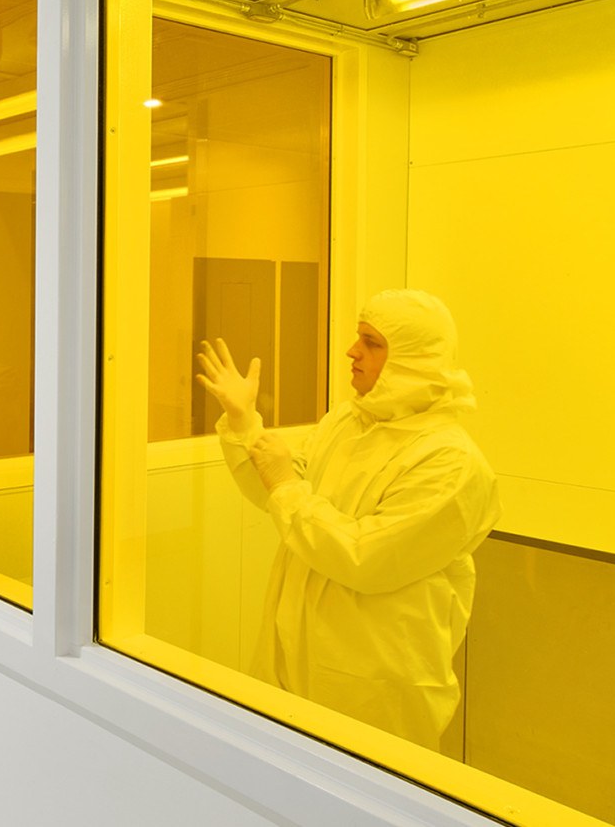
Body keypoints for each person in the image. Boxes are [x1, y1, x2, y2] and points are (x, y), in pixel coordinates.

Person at [194, 289, 499, 749]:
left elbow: (363, 556)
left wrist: (286, 486)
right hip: (296, 653)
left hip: (373, 680)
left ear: (413, 361)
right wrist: (245, 424)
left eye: (372, 342)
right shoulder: (349, 423)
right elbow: (282, 502)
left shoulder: (450, 463)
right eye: (359, 338)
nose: (352, 352)